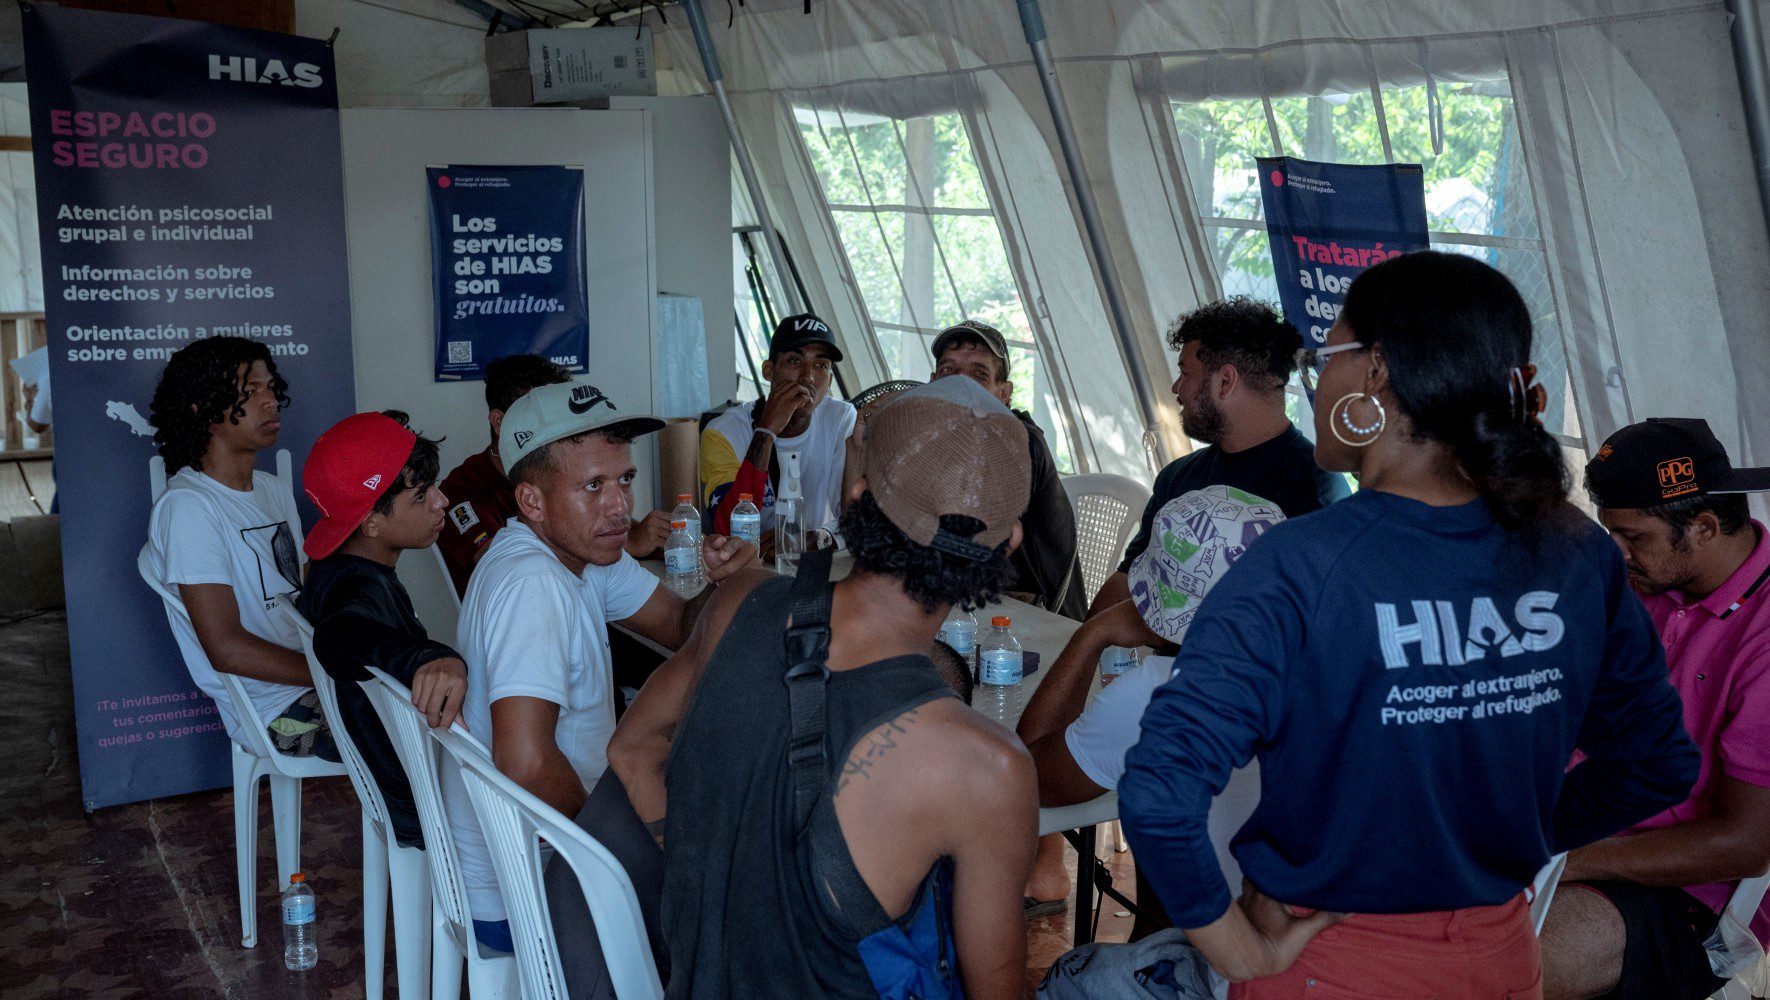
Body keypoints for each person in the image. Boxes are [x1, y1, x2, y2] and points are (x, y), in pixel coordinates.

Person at [1118, 251, 1701, 997]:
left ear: (1377, 374)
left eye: (1324, 356)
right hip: (1502, 959)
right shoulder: (1574, 549)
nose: (1314, 381)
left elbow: (1160, 791)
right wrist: (1508, 835)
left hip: (1328, 962)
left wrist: (1235, 950)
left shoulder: (1300, 564)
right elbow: (1657, 762)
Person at [609, 376, 1040, 999]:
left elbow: (630, 749)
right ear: (1008, 544)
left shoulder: (737, 603)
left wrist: (717, 880)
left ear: (858, 497)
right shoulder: (987, 767)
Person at [445, 379, 757, 961]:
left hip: (552, 837)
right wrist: (618, 853)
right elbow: (525, 760)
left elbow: (677, 625)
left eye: (625, 481)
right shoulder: (532, 582)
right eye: (593, 486)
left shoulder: (585, 551)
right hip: (532, 881)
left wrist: (728, 585)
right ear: (532, 501)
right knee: (746, 897)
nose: (620, 506)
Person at [1537, 417, 1770, 1000]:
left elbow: (1748, 841)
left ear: (1705, 527)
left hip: (1682, 890)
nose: (1616, 555)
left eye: (1633, 537)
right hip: (1570, 833)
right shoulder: (1643, 589)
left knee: (1491, 965)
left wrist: (1566, 861)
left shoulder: (1763, 635)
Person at [1018, 486, 1283, 937]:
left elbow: (1031, 777)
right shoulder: (1323, 665)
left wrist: (1092, 635)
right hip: (1307, 936)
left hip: (1226, 959)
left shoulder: (1160, 693)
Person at [1089, 298, 1350, 616]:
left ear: (1225, 382)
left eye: (1185, 374)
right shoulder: (1179, 477)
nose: (1175, 388)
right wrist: (1090, 642)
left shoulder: (1313, 489)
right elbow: (1126, 582)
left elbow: (1314, 620)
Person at [146, 336, 337, 761]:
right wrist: (334, 672)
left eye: (270, 388)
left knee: (439, 710)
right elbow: (226, 647)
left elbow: (304, 591)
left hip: (317, 681)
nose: (270, 402)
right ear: (201, 407)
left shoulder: (271, 489)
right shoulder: (189, 508)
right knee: (414, 733)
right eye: (250, 392)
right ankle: (423, 828)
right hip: (273, 712)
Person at [296, 411, 469, 849]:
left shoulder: (338, 566)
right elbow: (336, 636)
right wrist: (427, 657)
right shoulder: (356, 588)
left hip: (405, 777)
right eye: (421, 495)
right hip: (421, 799)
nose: (441, 501)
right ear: (369, 522)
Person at [438, 354, 672, 596]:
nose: (619, 507)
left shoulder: (573, 474)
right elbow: (502, 562)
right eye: (540, 413)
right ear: (499, 422)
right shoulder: (463, 487)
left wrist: (668, 542)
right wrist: (629, 542)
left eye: (625, 479)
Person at [931, 320, 1087, 620]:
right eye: (949, 371)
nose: (961, 382)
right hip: (983, 610)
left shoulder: (1019, 441)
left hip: (1043, 625)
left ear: (1003, 392)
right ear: (932, 383)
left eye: (978, 374)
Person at [701, 312, 856, 547]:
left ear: (830, 382)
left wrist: (815, 538)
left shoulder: (839, 418)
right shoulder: (723, 432)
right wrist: (766, 431)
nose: (808, 377)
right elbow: (726, 527)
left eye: (820, 365)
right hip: (748, 566)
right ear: (768, 371)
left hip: (807, 559)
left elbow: (853, 519)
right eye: (794, 361)